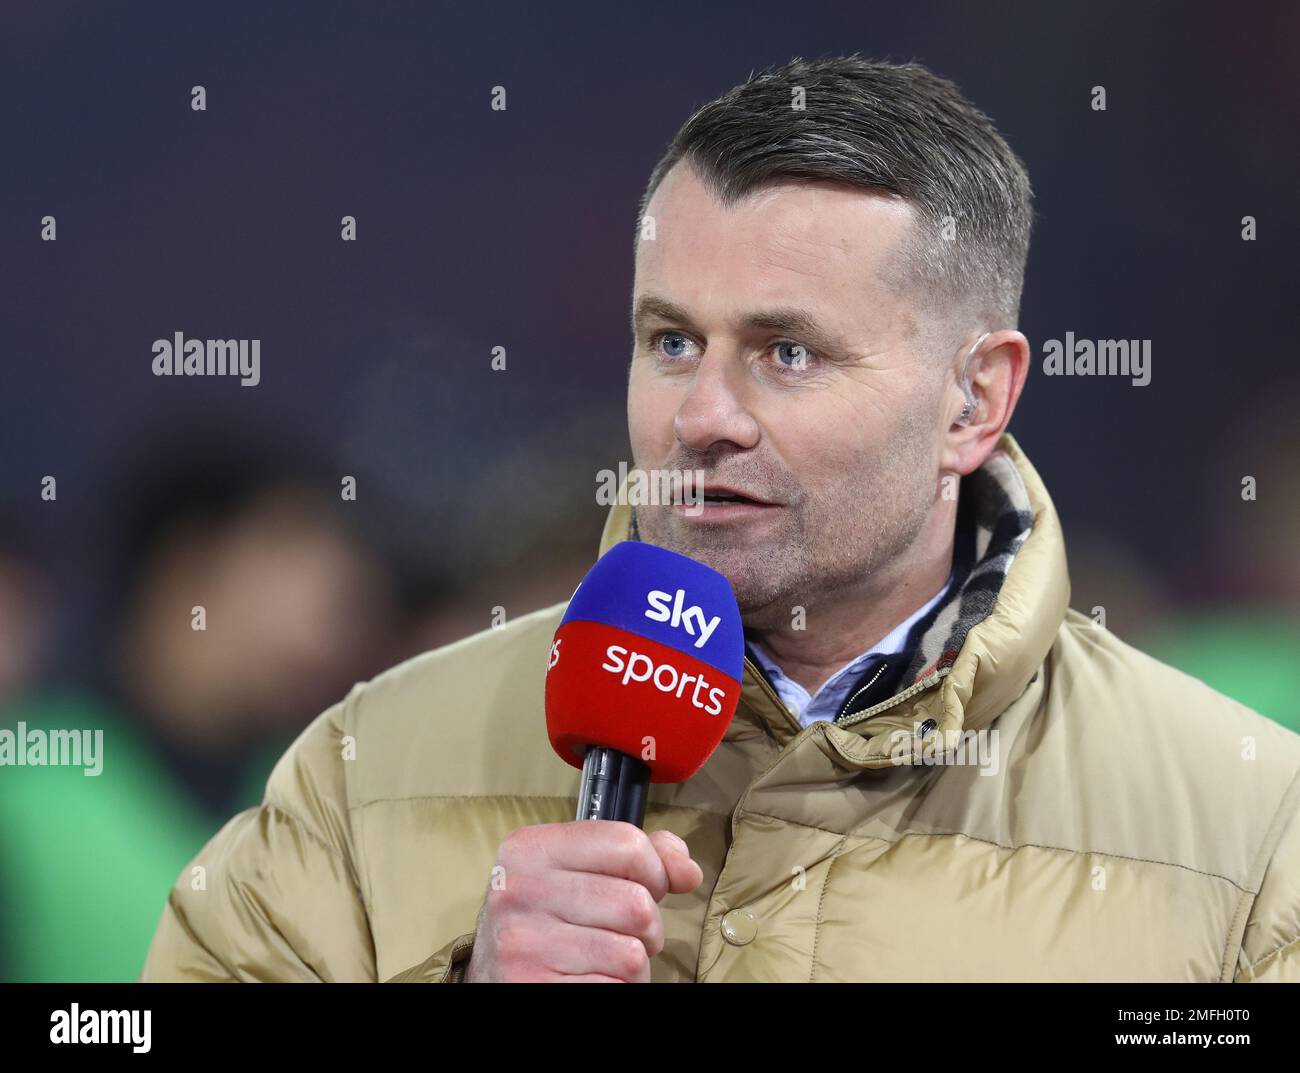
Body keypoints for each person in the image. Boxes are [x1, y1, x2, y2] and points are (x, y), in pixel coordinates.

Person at [140, 56, 1300, 983]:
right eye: (671, 341)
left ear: (974, 398)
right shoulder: (366, 768)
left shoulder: (1252, 833)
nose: (701, 417)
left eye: (785, 352)